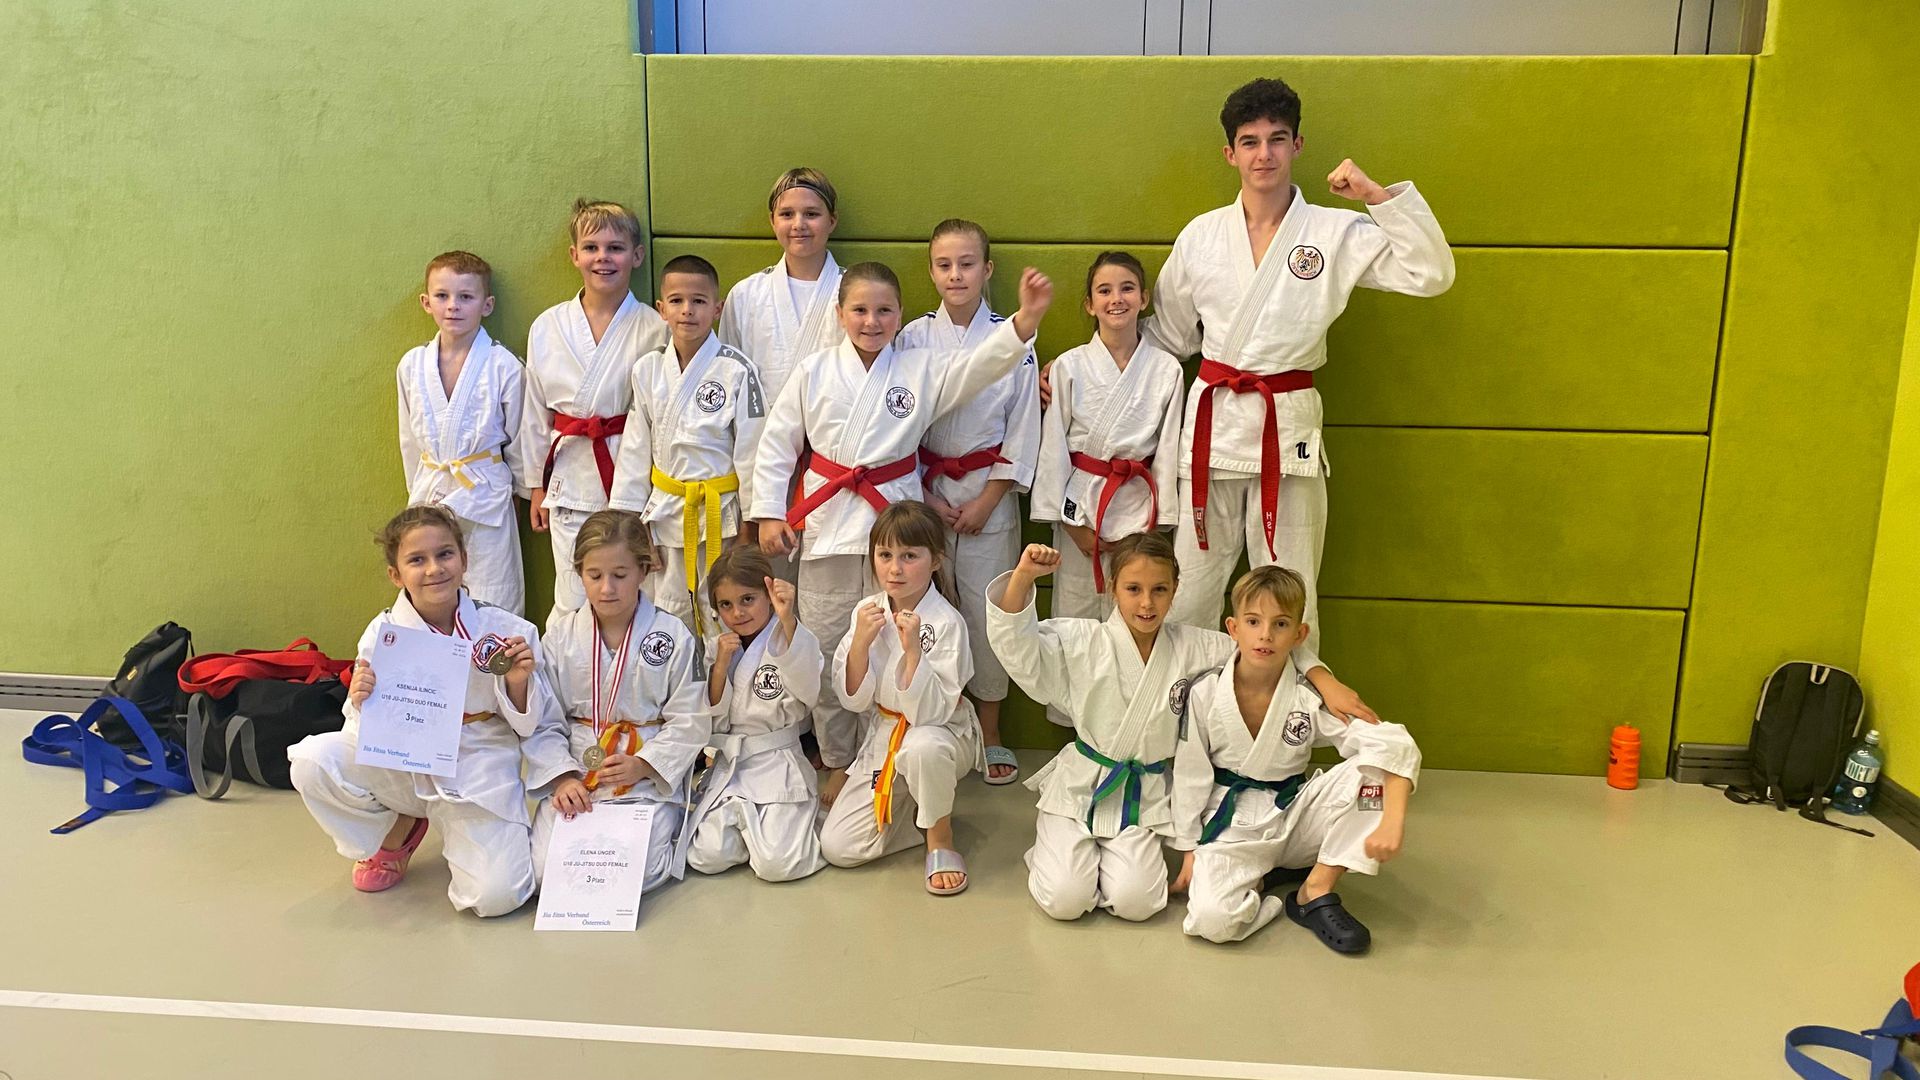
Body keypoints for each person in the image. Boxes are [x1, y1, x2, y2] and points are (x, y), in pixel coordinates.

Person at [1146, 77, 1454, 689]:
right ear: (1230, 153)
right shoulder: (1201, 236)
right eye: (1250, 141)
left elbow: (1431, 273)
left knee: (1289, 595)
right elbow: (1167, 340)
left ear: (1297, 146)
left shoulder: (1335, 232)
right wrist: (1086, 374)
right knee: (1191, 594)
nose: (1264, 154)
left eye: (1277, 139)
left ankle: (1286, 729)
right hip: (1210, 437)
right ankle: (1178, 719)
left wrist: (1375, 196)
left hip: (1286, 436)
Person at [749, 262, 1052, 792]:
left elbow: (978, 369)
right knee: (828, 645)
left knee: (896, 643)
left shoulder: (921, 368)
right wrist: (771, 511)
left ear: (900, 314)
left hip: (895, 528)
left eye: (884, 310)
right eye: (860, 310)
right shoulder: (815, 371)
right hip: (829, 525)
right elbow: (779, 443)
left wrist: (1023, 322)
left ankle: (887, 752)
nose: (872, 321)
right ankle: (839, 757)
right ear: (840, 314)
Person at [288, 504, 555, 917]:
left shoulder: (509, 631)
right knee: (312, 762)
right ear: (396, 575)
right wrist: (360, 701)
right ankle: (393, 834)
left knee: (497, 896)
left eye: (445, 554)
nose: (434, 569)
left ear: (464, 559)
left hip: (476, 763)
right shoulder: (383, 633)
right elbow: (359, 733)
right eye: (417, 560)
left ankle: (455, 830)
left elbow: (532, 725)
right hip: (405, 763)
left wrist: (518, 683)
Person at [1171, 565, 1418, 953]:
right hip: (1231, 825)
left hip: (1295, 815)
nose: (1265, 635)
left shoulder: (1310, 697)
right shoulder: (1205, 692)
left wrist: (1393, 820)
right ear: (1233, 628)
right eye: (1253, 621)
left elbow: (1394, 743)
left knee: (1374, 775)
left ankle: (1314, 888)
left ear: (1299, 635)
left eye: (1281, 624)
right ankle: (1264, 884)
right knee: (1211, 921)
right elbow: (1189, 774)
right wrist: (1189, 847)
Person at [985, 535, 1232, 922]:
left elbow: (1258, 651)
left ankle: (1088, 867)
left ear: (1175, 590)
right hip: (1079, 790)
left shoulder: (1194, 646)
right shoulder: (1084, 640)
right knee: (1065, 901)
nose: (1147, 603)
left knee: (1139, 903)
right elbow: (1018, 645)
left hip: (1141, 797)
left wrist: (1318, 675)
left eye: (1159, 590)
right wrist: (1024, 576)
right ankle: (1058, 856)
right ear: (1113, 587)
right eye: (1133, 589)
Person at [896, 219, 1040, 786]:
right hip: (924, 489)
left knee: (986, 612)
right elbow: (897, 421)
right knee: (925, 608)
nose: (955, 275)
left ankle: (990, 726)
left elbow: (1024, 426)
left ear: (987, 269)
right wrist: (923, 494)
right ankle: (931, 720)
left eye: (967, 264)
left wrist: (990, 498)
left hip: (988, 494)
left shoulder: (1013, 339)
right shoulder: (911, 337)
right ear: (931, 271)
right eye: (944, 265)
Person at [523, 510, 709, 893]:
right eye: (595, 576)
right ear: (579, 573)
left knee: (635, 875)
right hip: (578, 774)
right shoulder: (559, 638)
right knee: (544, 877)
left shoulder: (672, 635)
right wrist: (562, 778)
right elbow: (543, 719)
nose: (607, 588)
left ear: (644, 570)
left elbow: (691, 719)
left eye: (620, 575)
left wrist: (644, 765)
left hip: (641, 778)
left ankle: (668, 822)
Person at [520, 199, 670, 625]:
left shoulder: (655, 326)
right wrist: (536, 485)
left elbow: (661, 416)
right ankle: (571, 667)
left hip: (633, 476)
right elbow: (535, 412)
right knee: (573, 595)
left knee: (637, 590)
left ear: (636, 256)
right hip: (568, 477)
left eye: (615, 248)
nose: (603, 257)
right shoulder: (548, 325)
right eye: (591, 247)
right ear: (574, 255)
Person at [821, 502, 980, 895]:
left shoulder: (947, 622)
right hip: (886, 733)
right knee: (838, 847)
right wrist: (860, 644)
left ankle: (939, 837)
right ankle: (917, 814)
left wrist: (913, 655)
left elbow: (933, 713)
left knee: (922, 746)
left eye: (909, 556)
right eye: (885, 555)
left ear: (936, 560)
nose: (895, 568)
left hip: (942, 734)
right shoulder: (867, 612)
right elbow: (853, 701)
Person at [609, 254, 767, 637]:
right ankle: (676, 676)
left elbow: (752, 454)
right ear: (661, 309)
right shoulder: (647, 369)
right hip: (665, 513)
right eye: (676, 301)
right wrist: (630, 522)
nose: (687, 311)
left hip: (721, 515)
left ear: (717, 308)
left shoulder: (737, 369)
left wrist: (751, 526)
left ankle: (723, 676)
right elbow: (634, 450)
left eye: (698, 301)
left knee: (724, 611)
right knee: (667, 611)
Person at [1029, 250, 1183, 628]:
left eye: (1127, 288)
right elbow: (1053, 447)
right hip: (1080, 505)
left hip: (1137, 508)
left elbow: (1167, 452)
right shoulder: (1069, 365)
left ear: (1143, 299)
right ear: (1090, 304)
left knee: (1134, 614)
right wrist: (1069, 523)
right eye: (1104, 290)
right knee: (1074, 616)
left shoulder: (1166, 369)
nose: (1116, 298)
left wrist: (1158, 520)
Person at [395, 251, 531, 615]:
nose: (453, 306)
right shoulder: (412, 365)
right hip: (431, 488)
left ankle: (496, 655)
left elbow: (521, 440)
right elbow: (409, 440)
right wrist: (416, 492)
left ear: (487, 305)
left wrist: (520, 495)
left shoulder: (504, 366)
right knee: (431, 590)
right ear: (426, 302)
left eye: (465, 296)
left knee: (493, 591)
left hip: (486, 492)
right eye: (442, 295)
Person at [683, 545, 826, 882]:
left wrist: (788, 619)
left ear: (769, 594)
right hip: (733, 765)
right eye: (725, 605)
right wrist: (720, 666)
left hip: (778, 762)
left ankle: (776, 828)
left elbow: (810, 693)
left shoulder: (789, 637)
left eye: (748, 599)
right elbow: (713, 717)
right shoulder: (720, 645)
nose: (737, 613)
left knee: (778, 866)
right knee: (705, 857)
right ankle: (751, 826)